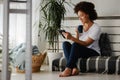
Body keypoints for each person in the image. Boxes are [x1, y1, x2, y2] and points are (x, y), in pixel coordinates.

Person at [59, 1, 101, 77]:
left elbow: (86, 44)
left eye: (81, 16)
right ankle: (74, 68)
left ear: (88, 14)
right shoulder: (80, 27)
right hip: (81, 49)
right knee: (65, 44)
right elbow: (78, 42)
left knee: (75, 44)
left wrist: (71, 38)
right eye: (78, 16)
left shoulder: (96, 27)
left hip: (93, 51)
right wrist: (77, 34)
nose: (80, 19)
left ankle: (68, 69)